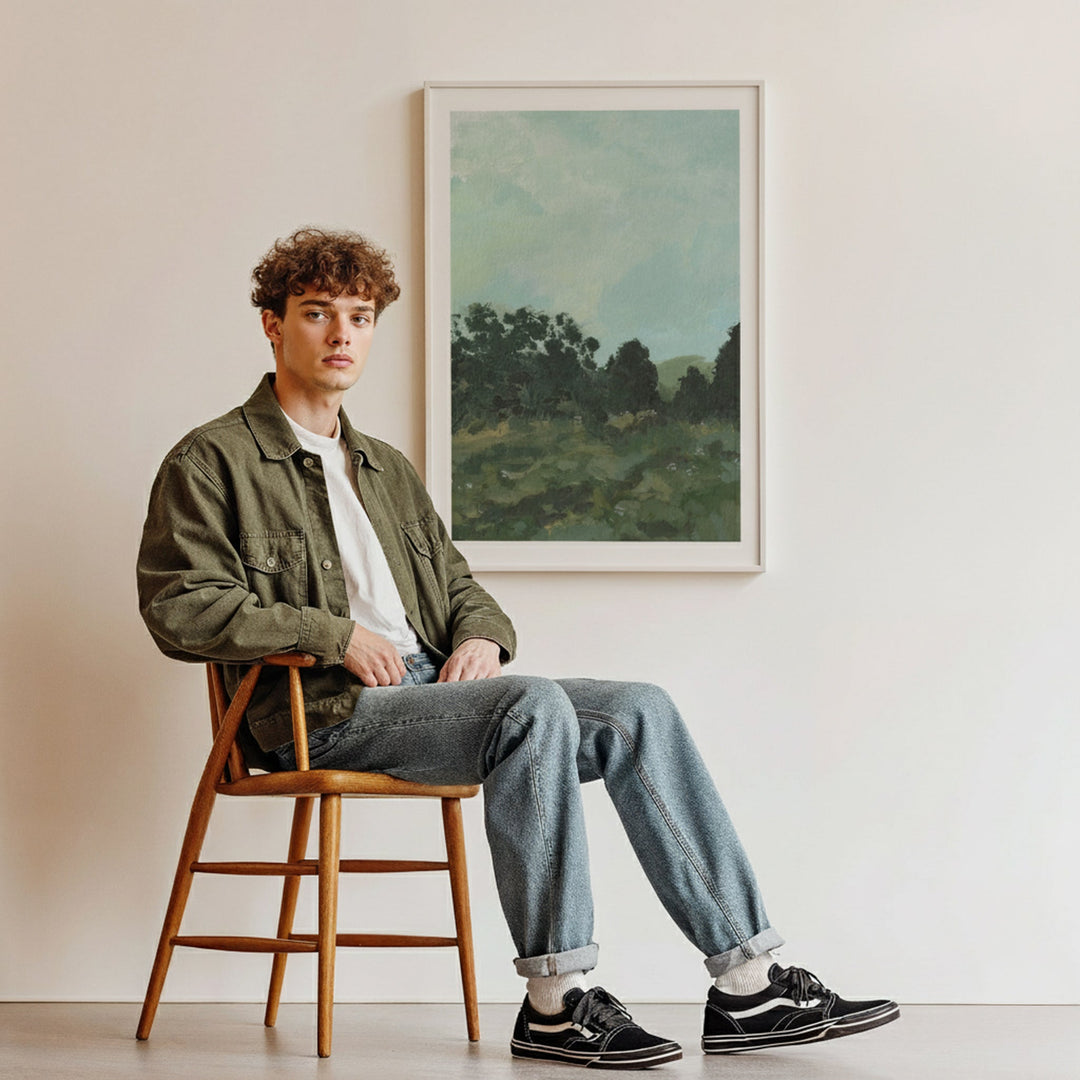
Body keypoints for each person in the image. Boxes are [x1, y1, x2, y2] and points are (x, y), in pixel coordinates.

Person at [137, 226, 899, 1069]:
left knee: (637, 708)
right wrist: (332, 633)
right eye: (318, 313)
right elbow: (180, 605)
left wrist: (481, 640)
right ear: (274, 326)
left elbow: (465, 589)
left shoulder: (385, 468)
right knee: (531, 706)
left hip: (432, 697)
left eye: (359, 315)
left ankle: (748, 984)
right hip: (321, 711)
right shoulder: (212, 460)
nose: (343, 333)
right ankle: (556, 1002)